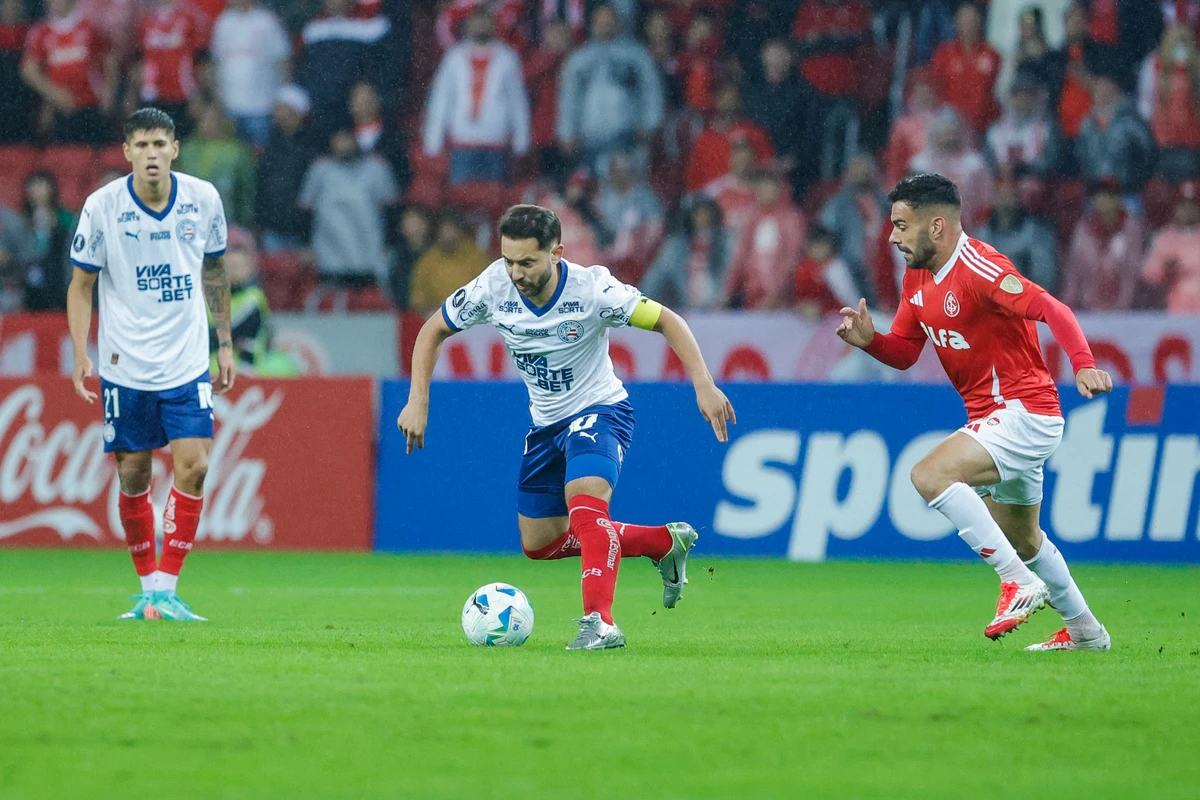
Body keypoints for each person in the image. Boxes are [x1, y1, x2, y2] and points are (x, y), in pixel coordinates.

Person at [396, 204, 736, 650]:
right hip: (545, 427)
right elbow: (432, 330)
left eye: (527, 262)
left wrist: (704, 385)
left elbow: (668, 320)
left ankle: (600, 622)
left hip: (601, 410)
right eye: (508, 260)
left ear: (556, 252)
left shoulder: (593, 289)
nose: (515, 272)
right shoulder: (492, 286)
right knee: (538, 544)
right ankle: (661, 542)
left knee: (585, 505)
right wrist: (417, 399)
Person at [836, 173, 1113, 652]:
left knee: (928, 475)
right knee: (1025, 539)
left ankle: (1016, 583)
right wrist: (871, 343)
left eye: (902, 225)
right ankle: (1087, 631)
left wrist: (1083, 365)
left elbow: (1053, 308)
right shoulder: (917, 275)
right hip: (998, 417)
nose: (892, 237)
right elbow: (904, 351)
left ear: (937, 226)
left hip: (1023, 411)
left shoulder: (981, 268)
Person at [66, 107, 234, 622]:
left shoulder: (203, 199)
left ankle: (166, 588)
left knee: (197, 465)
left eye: (160, 144)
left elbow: (215, 270)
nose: (152, 154)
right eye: (141, 145)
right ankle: (146, 591)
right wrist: (79, 351)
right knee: (134, 474)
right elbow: (81, 286)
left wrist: (223, 341)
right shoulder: (103, 207)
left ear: (175, 149)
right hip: (124, 364)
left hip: (186, 361)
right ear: (127, 153)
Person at [423, 9, 529, 186]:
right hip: (462, 141)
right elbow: (441, 99)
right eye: (476, 21)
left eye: (485, 21)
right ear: (467, 25)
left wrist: (521, 141)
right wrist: (433, 141)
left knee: (494, 201)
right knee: (461, 199)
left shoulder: (508, 58)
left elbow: (517, 102)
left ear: (493, 24)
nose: (480, 26)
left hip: (495, 141)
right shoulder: (453, 58)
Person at [21, 0, 117, 144]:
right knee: (66, 158)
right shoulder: (40, 32)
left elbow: (110, 58)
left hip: (91, 104)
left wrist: (109, 92)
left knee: (95, 156)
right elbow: (29, 70)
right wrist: (54, 93)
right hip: (61, 108)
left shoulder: (89, 27)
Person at [209, 0, 291, 148]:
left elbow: (282, 61)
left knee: (259, 156)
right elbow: (216, 62)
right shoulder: (223, 22)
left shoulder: (267, 21)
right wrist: (217, 98)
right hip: (229, 106)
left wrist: (282, 96)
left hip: (262, 107)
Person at [1060, 177, 1146, 310]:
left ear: (1119, 199)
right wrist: (1068, 306)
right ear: (1094, 200)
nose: (1106, 201)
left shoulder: (1131, 229)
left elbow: (1132, 275)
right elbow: (1074, 273)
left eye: (1111, 196)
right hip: (1088, 310)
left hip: (1124, 313)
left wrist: (1122, 310)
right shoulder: (1083, 230)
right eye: (1101, 196)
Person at [406, 211, 489, 315]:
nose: (448, 236)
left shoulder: (477, 257)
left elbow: (489, 291)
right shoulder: (426, 262)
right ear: (437, 233)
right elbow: (417, 299)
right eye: (444, 231)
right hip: (437, 317)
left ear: (460, 231)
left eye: (451, 230)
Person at [20, 171, 76, 311]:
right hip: (30, 275)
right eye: (34, 186)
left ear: (52, 189)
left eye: (42, 186)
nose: (38, 191)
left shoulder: (65, 217)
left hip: (57, 272)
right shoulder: (22, 220)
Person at [1142, 178, 1200, 311]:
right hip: (1174, 313)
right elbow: (1148, 273)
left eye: (1192, 204)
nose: (1187, 210)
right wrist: (1165, 270)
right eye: (1182, 204)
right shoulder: (1164, 236)